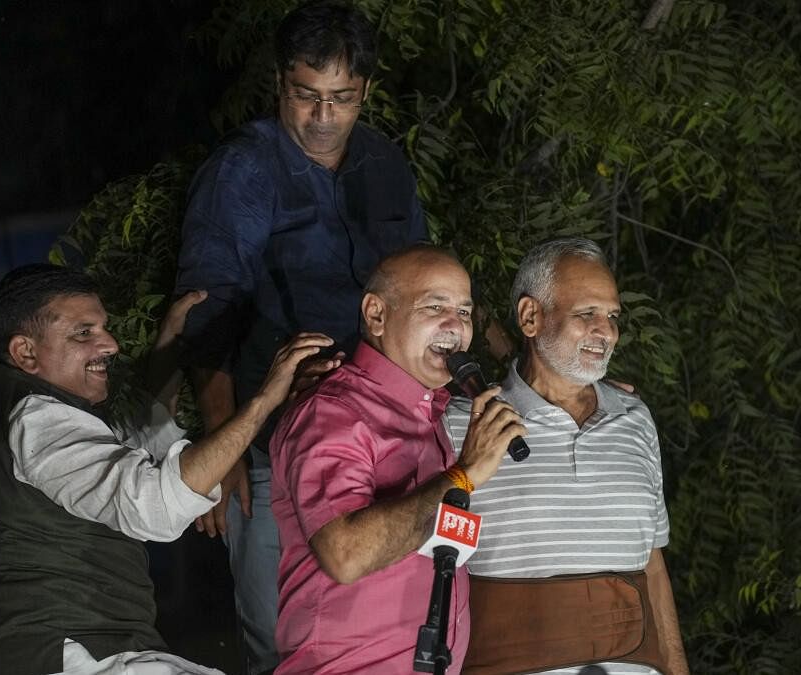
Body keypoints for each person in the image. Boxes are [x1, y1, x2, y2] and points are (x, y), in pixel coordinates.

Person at [173, 3, 427, 671]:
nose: (323, 116)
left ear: (365, 92)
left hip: (386, 437)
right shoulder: (244, 169)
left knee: (392, 623)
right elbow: (207, 306)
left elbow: (423, 290)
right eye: (306, 95)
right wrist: (222, 440)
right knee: (279, 636)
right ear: (280, 84)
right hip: (273, 445)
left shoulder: (386, 165)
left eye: (341, 98)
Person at [0, 264, 333, 675]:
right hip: (60, 653)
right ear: (25, 352)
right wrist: (265, 400)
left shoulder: (0, 408)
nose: (111, 344)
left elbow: (138, 440)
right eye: (84, 333)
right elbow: (154, 505)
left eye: (104, 328)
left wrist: (170, 340)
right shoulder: (35, 419)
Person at [270, 245, 526, 674]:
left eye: (464, 312)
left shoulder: (433, 415)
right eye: (434, 306)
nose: (455, 326)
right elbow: (345, 554)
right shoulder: (332, 411)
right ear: (376, 315)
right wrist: (463, 476)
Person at [445, 238, 690, 674]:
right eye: (587, 314)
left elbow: (652, 565)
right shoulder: (463, 423)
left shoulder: (634, 418)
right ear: (530, 317)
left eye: (613, 316)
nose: (608, 331)